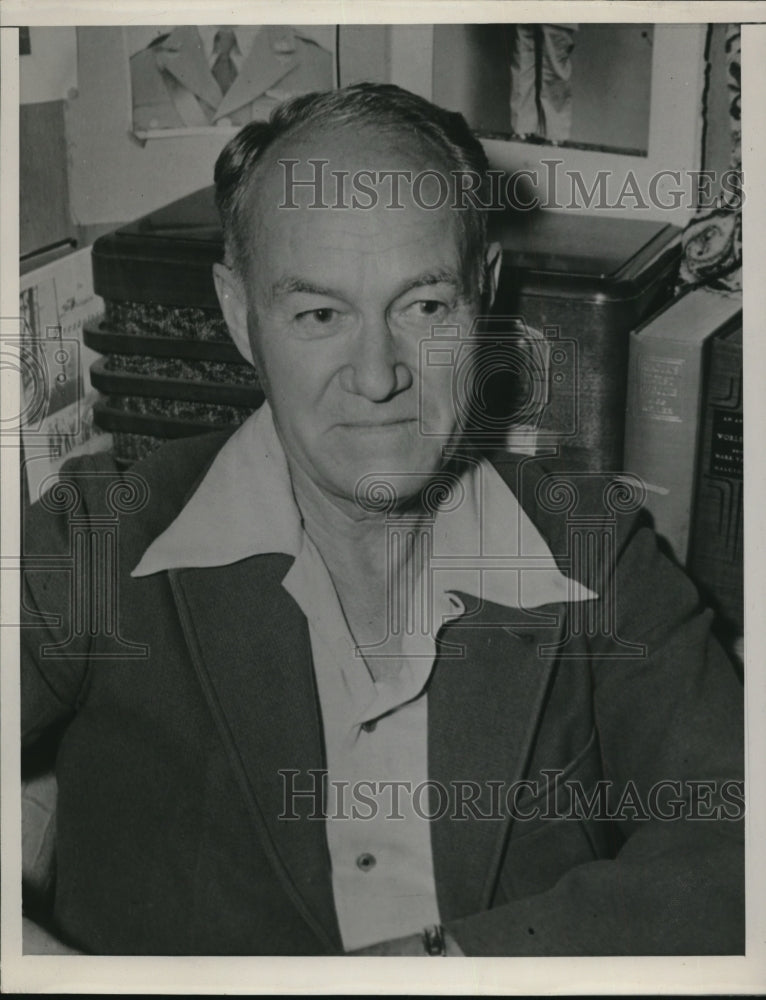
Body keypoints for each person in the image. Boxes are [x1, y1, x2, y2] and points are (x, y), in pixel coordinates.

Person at [21, 83, 743, 957]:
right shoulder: (97, 539)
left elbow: (737, 844)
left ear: (484, 299)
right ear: (241, 315)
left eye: (424, 306)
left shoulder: (594, 551)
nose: (377, 375)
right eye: (321, 314)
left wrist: (449, 967)